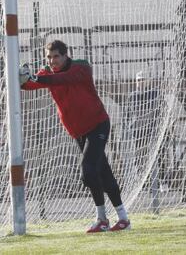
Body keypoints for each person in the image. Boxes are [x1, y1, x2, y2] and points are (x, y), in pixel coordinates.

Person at [19, 40, 130, 233]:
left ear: (65, 55)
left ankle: (103, 218)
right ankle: (121, 219)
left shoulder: (82, 67)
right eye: (49, 57)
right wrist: (18, 76)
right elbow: (28, 85)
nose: (52, 61)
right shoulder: (47, 73)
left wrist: (34, 78)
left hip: (98, 124)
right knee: (102, 172)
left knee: (88, 172)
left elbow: (62, 79)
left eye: (56, 56)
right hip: (78, 132)